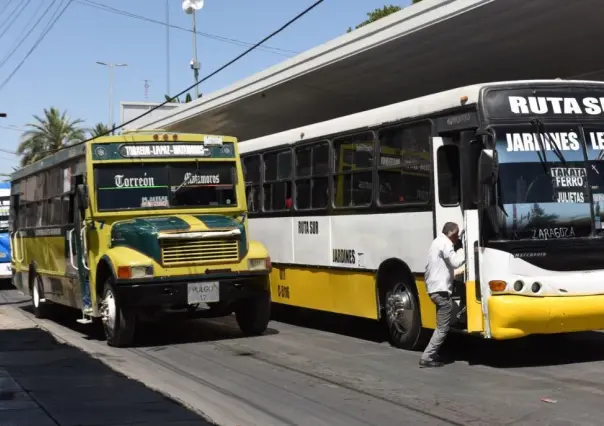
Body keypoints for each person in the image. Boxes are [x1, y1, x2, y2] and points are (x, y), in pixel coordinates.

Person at [420, 222, 465, 368]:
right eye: (457, 235)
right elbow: (456, 262)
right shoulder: (446, 244)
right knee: (442, 328)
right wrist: (466, 250)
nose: (457, 239)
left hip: (434, 289)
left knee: (451, 311)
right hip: (441, 290)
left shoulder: (436, 242)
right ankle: (427, 356)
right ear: (452, 234)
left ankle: (432, 353)